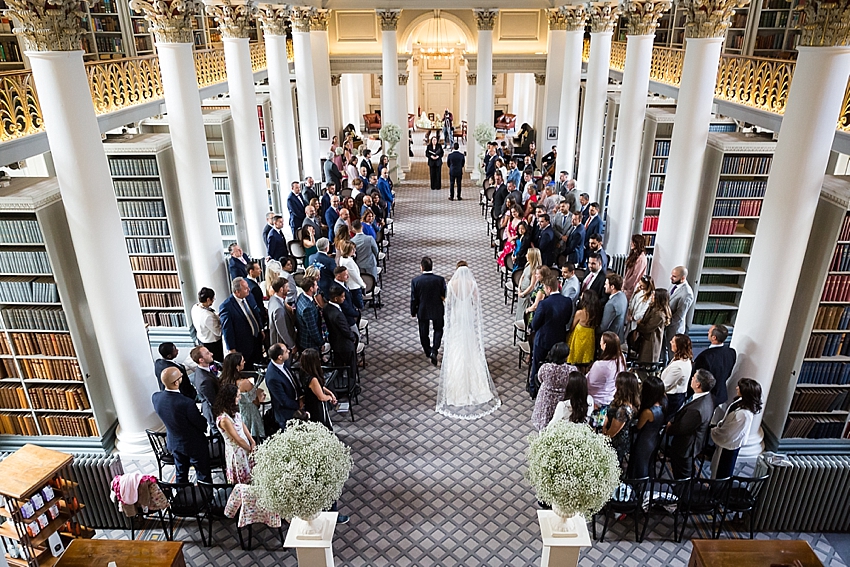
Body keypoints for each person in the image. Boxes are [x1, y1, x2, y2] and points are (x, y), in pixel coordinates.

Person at [436, 262, 501, 419]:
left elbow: (448, 303)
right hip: (468, 316)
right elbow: (476, 302)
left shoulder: (451, 283)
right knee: (470, 344)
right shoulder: (472, 284)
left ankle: (456, 385)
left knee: (457, 344)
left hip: (457, 316)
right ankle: (476, 384)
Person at [151, 367, 212, 483]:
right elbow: (201, 424)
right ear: (176, 382)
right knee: (203, 474)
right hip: (193, 445)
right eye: (181, 377)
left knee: (181, 472)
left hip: (174, 442)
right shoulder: (186, 403)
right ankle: (206, 497)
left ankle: (181, 495)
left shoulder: (156, 397)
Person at [667, 369, 716, 480]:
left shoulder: (696, 410)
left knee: (682, 476)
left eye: (694, 377)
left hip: (685, 447)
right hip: (692, 443)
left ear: (698, 384)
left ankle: (681, 495)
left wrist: (669, 427)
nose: (692, 379)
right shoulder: (707, 397)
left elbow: (681, 428)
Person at [529, 275, 573, 398]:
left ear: (548, 288)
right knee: (557, 365)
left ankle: (534, 390)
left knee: (536, 364)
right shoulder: (567, 301)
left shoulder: (544, 304)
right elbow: (567, 320)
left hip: (543, 340)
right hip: (559, 339)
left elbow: (535, 324)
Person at [710, 378, 762, 479]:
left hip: (729, 445)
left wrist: (715, 431)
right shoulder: (740, 401)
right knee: (717, 467)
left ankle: (717, 491)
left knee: (722, 470)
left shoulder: (744, 414)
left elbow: (730, 432)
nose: (736, 388)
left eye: (740, 387)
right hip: (727, 442)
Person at [627, 374, 668, 479]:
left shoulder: (648, 412)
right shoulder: (664, 402)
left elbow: (639, 426)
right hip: (654, 438)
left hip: (644, 440)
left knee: (640, 464)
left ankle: (638, 486)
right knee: (648, 462)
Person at [213, 383, 255, 484]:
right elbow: (237, 439)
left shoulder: (233, 411)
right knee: (244, 481)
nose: (239, 398)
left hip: (245, 446)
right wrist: (250, 450)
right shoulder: (224, 419)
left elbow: (242, 425)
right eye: (237, 396)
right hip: (237, 453)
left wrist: (252, 441)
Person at [530, 343, 577, 430]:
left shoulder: (546, 367)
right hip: (562, 398)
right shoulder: (571, 370)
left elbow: (540, 379)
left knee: (544, 419)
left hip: (546, 397)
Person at [219, 352, 265, 440]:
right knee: (253, 437)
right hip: (249, 414)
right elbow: (255, 401)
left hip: (234, 412)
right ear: (237, 366)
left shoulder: (223, 380)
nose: (245, 362)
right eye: (242, 361)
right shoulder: (245, 383)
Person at [219, 277, 264, 367]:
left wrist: (261, 328)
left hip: (256, 338)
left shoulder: (250, 296)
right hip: (244, 345)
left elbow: (256, 313)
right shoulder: (226, 307)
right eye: (245, 288)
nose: (249, 289)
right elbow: (227, 330)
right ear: (237, 292)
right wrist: (232, 349)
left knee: (259, 362)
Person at [411, 257, 447, 366]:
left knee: (423, 332)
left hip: (422, 310)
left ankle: (428, 351)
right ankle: (434, 350)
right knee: (438, 329)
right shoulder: (440, 280)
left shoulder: (416, 281)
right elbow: (443, 294)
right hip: (437, 309)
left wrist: (413, 311)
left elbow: (414, 299)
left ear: (421, 267)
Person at [691, 324, 737, 407]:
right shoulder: (731, 352)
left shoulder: (705, 356)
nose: (708, 332)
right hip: (721, 393)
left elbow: (698, 377)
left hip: (706, 397)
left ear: (714, 337)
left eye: (709, 331)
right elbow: (728, 372)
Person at [603, 371, 640, 468]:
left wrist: (603, 430)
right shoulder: (622, 403)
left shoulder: (623, 410)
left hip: (616, 444)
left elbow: (611, 434)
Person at [324, 284, 358, 380]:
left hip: (335, 342)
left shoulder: (326, 308)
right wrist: (353, 338)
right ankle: (351, 386)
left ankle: (339, 383)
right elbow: (345, 331)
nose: (344, 298)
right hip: (345, 345)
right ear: (335, 298)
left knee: (338, 367)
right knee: (351, 367)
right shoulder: (337, 315)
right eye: (342, 297)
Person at [265, 343, 302, 431]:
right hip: (286, 413)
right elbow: (283, 400)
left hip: (295, 402)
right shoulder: (273, 377)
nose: (289, 351)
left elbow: (292, 379)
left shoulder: (284, 363)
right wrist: (298, 405)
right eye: (286, 351)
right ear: (280, 357)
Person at [299, 348, 337, 431]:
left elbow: (319, 387)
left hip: (310, 402)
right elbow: (321, 397)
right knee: (322, 425)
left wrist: (330, 393)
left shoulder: (303, 371)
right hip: (316, 406)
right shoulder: (313, 379)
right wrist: (329, 397)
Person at [586, 331, 626, 408]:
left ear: (605, 345)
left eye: (601, 340)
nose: (600, 343)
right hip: (611, 397)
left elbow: (590, 383)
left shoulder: (600, 365)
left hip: (596, 401)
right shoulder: (621, 357)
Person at [664, 266, 695, 363]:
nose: (671, 278)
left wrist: (666, 323)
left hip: (674, 328)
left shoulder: (687, 294)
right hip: (666, 323)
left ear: (682, 278)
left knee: (672, 353)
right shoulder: (674, 285)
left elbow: (679, 315)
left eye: (674, 276)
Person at [636, 289, 671, 363]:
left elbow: (648, 328)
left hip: (651, 342)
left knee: (646, 364)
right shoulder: (652, 307)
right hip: (645, 339)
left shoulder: (659, 314)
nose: (651, 296)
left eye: (653, 295)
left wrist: (639, 324)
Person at [189, 345, 219, 433]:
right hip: (213, 412)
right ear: (201, 360)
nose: (212, 354)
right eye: (207, 354)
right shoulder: (205, 381)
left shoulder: (203, 370)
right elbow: (213, 401)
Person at [661, 333, 693, 414]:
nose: (670, 342)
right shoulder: (681, 359)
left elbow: (666, 385)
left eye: (673, 342)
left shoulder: (678, 366)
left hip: (672, 399)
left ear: (679, 346)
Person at [567, 290, 601, 366]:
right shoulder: (596, 313)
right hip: (590, 340)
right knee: (585, 362)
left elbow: (572, 327)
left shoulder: (580, 313)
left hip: (578, 340)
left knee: (575, 361)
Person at [192, 288, 223, 363]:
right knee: (217, 362)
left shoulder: (195, 307)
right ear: (208, 299)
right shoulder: (208, 316)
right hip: (212, 343)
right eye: (213, 298)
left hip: (202, 338)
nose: (213, 300)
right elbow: (218, 332)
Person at [626, 275, 655, 353]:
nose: (640, 286)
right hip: (632, 316)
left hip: (639, 320)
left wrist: (634, 317)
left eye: (642, 285)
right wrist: (629, 311)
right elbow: (632, 301)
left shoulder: (650, 296)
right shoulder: (638, 290)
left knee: (635, 339)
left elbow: (644, 310)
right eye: (640, 283)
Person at [268, 277, 297, 352]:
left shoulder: (273, 299)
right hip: (282, 345)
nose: (289, 289)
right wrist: (292, 345)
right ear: (281, 289)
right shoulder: (279, 309)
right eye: (287, 287)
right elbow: (282, 331)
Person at [296, 276, 324, 351]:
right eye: (316, 285)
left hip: (303, 339)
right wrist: (321, 343)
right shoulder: (307, 308)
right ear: (311, 288)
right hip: (310, 343)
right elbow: (313, 329)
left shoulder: (301, 296)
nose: (317, 287)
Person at [599, 273, 627, 344]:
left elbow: (603, 327)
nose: (604, 286)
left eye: (606, 284)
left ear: (612, 287)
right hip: (619, 336)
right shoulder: (623, 296)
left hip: (610, 341)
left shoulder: (611, 304)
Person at [516, 249, 542, 324]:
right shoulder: (528, 264)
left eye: (527, 254)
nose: (526, 255)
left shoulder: (534, 270)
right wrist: (519, 288)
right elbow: (522, 276)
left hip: (526, 295)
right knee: (519, 310)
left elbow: (532, 286)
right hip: (521, 291)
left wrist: (523, 293)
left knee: (523, 312)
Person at [623, 235, 648, 301]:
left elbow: (635, 275)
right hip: (628, 286)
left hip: (632, 288)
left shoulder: (641, 258)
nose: (631, 243)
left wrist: (626, 285)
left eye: (633, 242)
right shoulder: (634, 254)